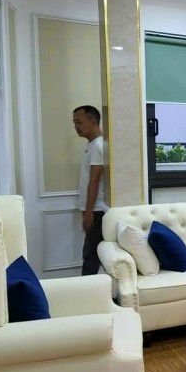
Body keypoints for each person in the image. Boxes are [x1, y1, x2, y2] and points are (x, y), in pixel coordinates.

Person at [72, 105, 108, 275]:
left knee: (91, 255)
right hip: (93, 209)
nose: (76, 127)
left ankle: (87, 287)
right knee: (91, 253)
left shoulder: (99, 146)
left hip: (97, 210)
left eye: (79, 122)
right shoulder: (92, 145)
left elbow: (94, 181)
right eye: (74, 123)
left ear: (93, 122)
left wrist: (88, 212)